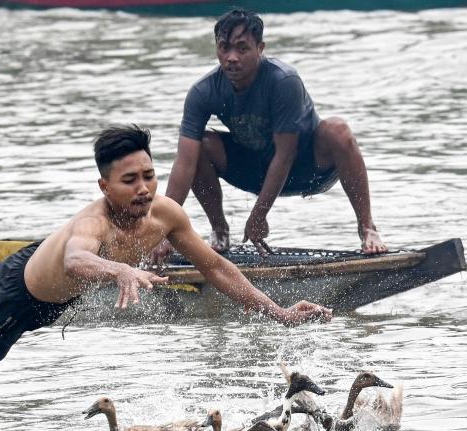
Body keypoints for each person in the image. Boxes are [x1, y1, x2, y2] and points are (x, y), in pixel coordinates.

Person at [0, 125, 332, 381]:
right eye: (129, 180)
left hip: (30, 271)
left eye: (149, 176)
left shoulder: (167, 214)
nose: (143, 188)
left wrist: (278, 312)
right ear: (104, 186)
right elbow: (76, 261)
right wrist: (119, 269)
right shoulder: (94, 221)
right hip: (25, 297)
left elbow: (216, 266)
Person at [163, 8, 387, 258]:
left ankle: (367, 228)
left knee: (338, 130)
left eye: (242, 48)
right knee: (201, 145)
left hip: (306, 168)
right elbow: (184, 163)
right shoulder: (203, 91)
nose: (232, 57)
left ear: (260, 48)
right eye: (224, 48)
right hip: (254, 169)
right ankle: (220, 230)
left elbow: (285, 155)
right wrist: (162, 230)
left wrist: (258, 215)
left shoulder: (283, 81)